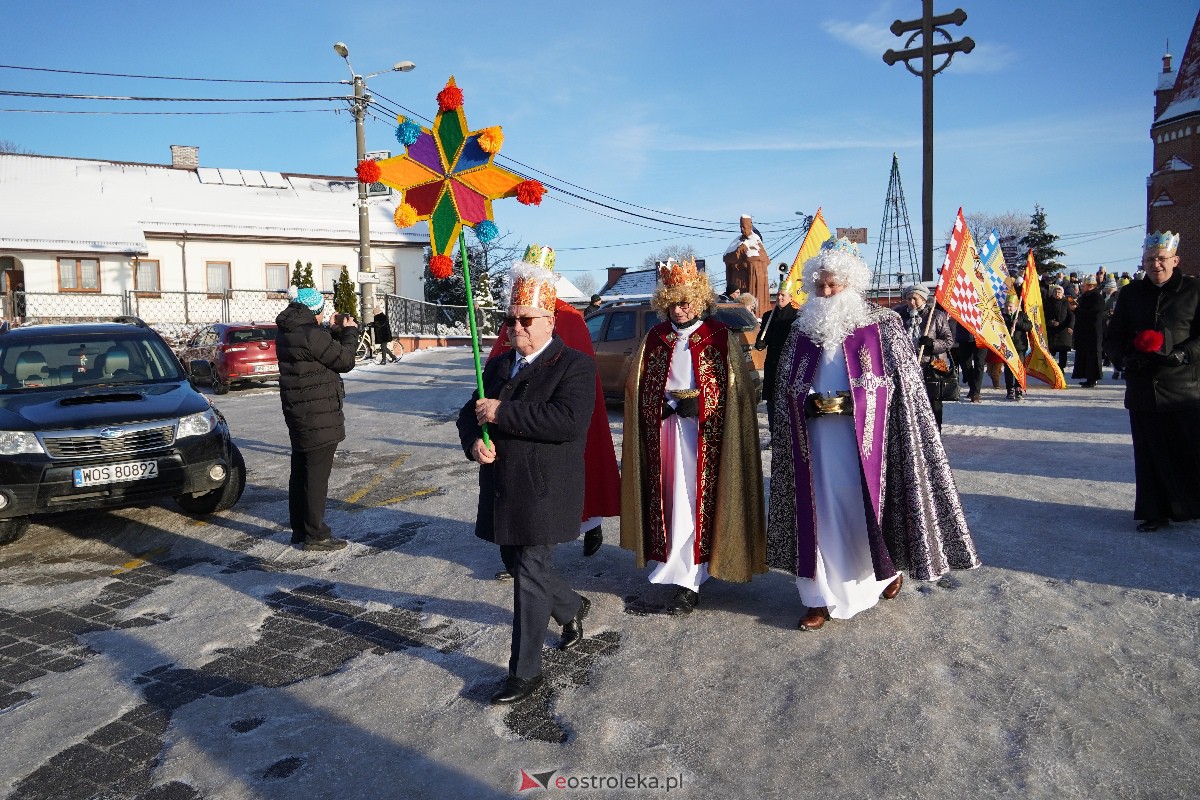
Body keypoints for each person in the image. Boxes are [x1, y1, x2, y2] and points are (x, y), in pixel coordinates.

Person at [768, 237, 979, 631]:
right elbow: (783, 385)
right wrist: (803, 401)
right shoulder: (801, 330)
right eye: (820, 285)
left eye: (834, 285)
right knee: (818, 515)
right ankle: (818, 598)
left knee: (862, 508)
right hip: (813, 442)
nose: (826, 292)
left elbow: (906, 391)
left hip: (866, 444)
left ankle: (883, 573)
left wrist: (858, 401)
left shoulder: (883, 326)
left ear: (852, 284)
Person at [456, 246, 596, 705]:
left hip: (544, 490)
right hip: (502, 489)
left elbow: (567, 421)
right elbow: (467, 415)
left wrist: (503, 412)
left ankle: (526, 673)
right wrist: (474, 440)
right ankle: (572, 607)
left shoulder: (574, 366)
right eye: (511, 319)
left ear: (549, 321)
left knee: (529, 573)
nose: (515, 327)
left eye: (526, 320)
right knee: (516, 564)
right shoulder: (495, 365)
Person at [621, 257, 766, 616]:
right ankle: (674, 566)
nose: (680, 309)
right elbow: (636, 388)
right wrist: (661, 406)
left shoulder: (719, 337)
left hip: (707, 439)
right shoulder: (655, 337)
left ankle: (690, 578)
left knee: (694, 501)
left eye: (686, 301)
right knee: (670, 500)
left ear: (699, 300)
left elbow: (742, 392)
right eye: (673, 302)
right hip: (664, 434)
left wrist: (703, 407)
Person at [487, 246, 620, 575]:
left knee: (568, 477)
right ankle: (520, 558)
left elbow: (576, 368)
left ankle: (590, 526)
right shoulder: (517, 315)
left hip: (555, 414)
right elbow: (495, 364)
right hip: (514, 419)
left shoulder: (568, 318)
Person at [1103, 231, 1200, 533]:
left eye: (1161, 259)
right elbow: (1113, 337)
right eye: (1149, 259)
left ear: (1175, 260)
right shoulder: (1131, 294)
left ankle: (1191, 506)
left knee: (1189, 451)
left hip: (1184, 389)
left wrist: (1183, 354)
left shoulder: (1194, 291)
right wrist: (1123, 358)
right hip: (1144, 387)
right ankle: (1154, 511)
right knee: (1149, 453)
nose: (1156, 265)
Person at [275, 288, 359, 551]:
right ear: (314, 311)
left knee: (301, 471)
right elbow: (344, 360)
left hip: (300, 411)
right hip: (318, 414)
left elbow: (319, 353)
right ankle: (317, 534)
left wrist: (328, 329)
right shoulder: (310, 333)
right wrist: (349, 332)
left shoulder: (290, 330)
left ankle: (300, 530)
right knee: (316, 477)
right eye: (323, 309)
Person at [894, 284, 955, 429]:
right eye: (908, 299)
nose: (911, 302)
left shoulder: (936, 315)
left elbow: (949, 341)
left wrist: (932, 344)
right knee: (911, 404)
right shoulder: (900, 316)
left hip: (932, 367)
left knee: (933, 405)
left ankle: (935, 433)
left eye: (915, 299)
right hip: (908, 366)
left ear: (923, 298)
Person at [755, 287, 798, 435]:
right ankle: (774, 432)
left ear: (791, 298)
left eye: (783, 295)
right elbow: (762, 337)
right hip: (772, 363)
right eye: (778, 294)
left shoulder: (796, 316)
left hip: (789, 364)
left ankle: (788, 433)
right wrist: (760, 342)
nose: (780, 297)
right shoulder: (768, 316)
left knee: (787, 399)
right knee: (772, 399)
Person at [722, 215, 772, 313]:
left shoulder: (756, 240)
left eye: (744, 227)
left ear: (750, 226)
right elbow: (726, 257)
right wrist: (738, 252)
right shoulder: (737, 241)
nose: (742, 229)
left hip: (751, 280)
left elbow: (763, 260)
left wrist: (747, 254)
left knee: (750, 304)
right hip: (737, 279)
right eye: (741, 226)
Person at [1072, 275, 1104, 387]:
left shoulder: (1096, 297)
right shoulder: (1085, 297)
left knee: (1092, 355)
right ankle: (1088, 377)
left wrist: (1078, 309)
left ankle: (1092, 378)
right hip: (1085, 331)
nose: (1082, 287)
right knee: (1085, 354)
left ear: (1090, 286)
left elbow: (1092, 313)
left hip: (1092, 331)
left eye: (1084, 285)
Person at [1001, 294, 1032, 401]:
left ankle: (1018, 388)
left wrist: (1018, 323)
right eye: (1007, 306)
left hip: (1020, 346)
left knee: (1019, 368)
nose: (1008, 308)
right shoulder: (1001, 315)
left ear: (1015, 306)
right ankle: (1010, 389)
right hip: (1007, 346)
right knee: (1008, 369)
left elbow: (1029, 326)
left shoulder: (1021, 315)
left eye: (1011, 306)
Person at [1045, 284, 1075, 371]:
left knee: (1063, 351)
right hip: (1051, 330)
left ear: (1062, 293)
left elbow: (1072, 316)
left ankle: (1061, 367)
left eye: (1059, 292)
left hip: (1063, 330)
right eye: (1055, 292)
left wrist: (1070, 327)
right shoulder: (1048, 302)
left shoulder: (1067, 302)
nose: (1057, 294)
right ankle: (1050, 368)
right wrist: (1049, 322)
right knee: (1050, 351)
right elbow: (1044, 314)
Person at [1103, 278, 1122, 379]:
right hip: (1112, 328)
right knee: (1115, 350)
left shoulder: (1132, 299)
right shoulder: (1111, 300)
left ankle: (1124, 370)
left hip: (1126, 328)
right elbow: (1103, 314)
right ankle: (1116, 370)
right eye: (1120, 288)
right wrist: (1108, 313)